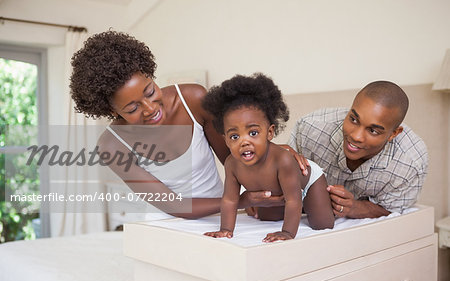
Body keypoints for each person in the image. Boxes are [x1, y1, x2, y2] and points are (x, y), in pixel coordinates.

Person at [69, 30, 289, 219]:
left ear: (150, 75)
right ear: (111, 111)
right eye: (132, 108)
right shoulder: (112, 146)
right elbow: (175, 205)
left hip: (220, 213)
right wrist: (238, 202)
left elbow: (236, 160)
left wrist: (281, 156)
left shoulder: (193, 100)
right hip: (166, 222)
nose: (150, 109)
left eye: (150, 91)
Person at [203, 73, 335, 242]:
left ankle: (317, 201)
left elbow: (293, 200)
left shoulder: (283, 160)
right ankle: (303, 208)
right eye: (234, 136)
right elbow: (229, 200)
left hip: (308, 182)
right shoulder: (231, 164)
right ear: (225, 139)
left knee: (323, 224)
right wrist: (225, 229)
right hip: (280, 191)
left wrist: (287, 232)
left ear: (270, 132)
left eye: (253, 133)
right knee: (267, 218)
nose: (244, 142)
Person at [288, 81, 428, 219]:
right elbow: (283, 181)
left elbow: (394, 212)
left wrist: (354, 208)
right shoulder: (309, 129)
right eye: (354, 119)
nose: (356, 136)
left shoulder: (410, 162)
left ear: (394, 134)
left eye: (373, 131)